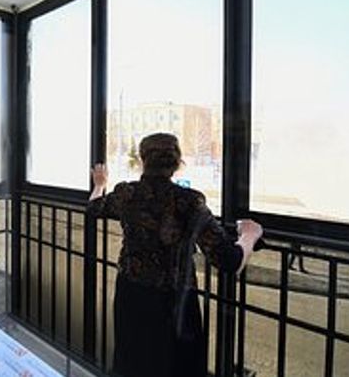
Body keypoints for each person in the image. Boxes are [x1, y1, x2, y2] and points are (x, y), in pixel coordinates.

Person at [87, 133, 263, 377]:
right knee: (177, 365)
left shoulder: (127, 193)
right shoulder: (189, 202)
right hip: (175, 300)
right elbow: (229, 260)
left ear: (143, 159)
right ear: (178, 162)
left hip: (132, 293)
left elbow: (94, 208)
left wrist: (99, 184)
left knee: (133, 360)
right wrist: (250, 235)